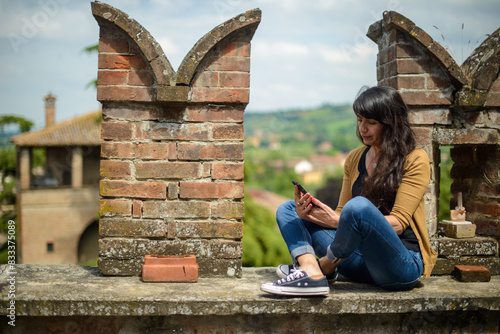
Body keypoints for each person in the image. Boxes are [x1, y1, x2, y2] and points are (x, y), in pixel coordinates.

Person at [260, 86, 437, 296]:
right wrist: (312, 213)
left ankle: (324, 266)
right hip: (357, 259)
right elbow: (342, 214)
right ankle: (311, 270)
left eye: (371, 123)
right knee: (288, 209)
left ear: (392, 124)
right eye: (360, 120)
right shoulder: (354, 158)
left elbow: (398, 224)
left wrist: (336, 221)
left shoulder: (415, 158)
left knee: (359, 206)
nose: (363, 128)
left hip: (400, 265)